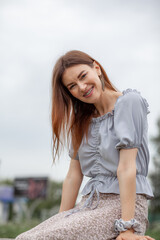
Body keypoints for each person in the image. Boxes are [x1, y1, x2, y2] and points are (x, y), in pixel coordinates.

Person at [16, 50, 155, 240]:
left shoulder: (128, 102)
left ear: (96, 68)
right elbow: (74, 175)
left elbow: (126, 168)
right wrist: (60, 219)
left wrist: (127, 227)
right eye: (72, 86)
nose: (81, 87)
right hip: (88, 205)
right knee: (24, 237)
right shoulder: (81, 120)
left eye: (83, 76)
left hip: (122, 207)